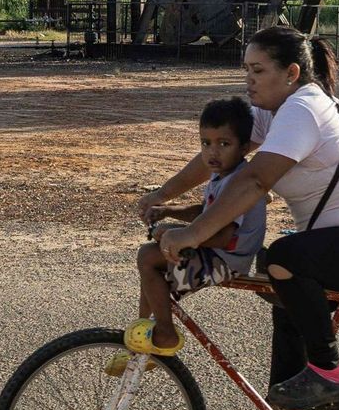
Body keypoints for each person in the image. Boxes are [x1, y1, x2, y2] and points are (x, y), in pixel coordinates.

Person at [138, 25, 339, 410]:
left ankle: (330, 372)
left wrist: (192, 234)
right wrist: (163, 194)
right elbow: (221, 156)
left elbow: (256, 180)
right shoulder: (275, 111)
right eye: (245, 70)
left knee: (286, 259)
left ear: (291, 73)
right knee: (283, 288)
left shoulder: (304, 110)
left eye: (257, 70)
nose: (248, 81)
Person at [110, 97, 268, 376]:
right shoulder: (224, 174)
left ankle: (164, 335)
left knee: (148, 257)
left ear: (245, 147)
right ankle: (144, 339)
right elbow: (205, 213)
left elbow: (222, 235)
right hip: (218, 253)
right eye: (205, 143)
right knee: (153, 263)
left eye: (224, 144)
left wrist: (176, 234)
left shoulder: (240, 181)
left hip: (227, 259)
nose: (212, 152)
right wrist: (168, 211)